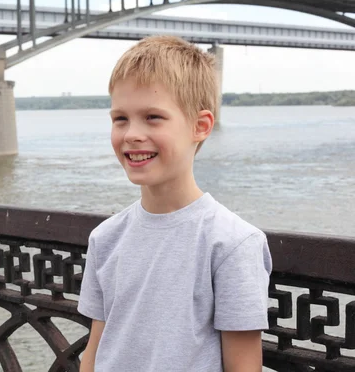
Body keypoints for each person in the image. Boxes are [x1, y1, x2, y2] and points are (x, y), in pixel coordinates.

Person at [77, 36, 272, 371]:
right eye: (120, 118)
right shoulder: (105, 238)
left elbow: (243, 366)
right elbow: (94, 353)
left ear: (200, 126)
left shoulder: (231, 244)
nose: (131, 134)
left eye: (153, 117)